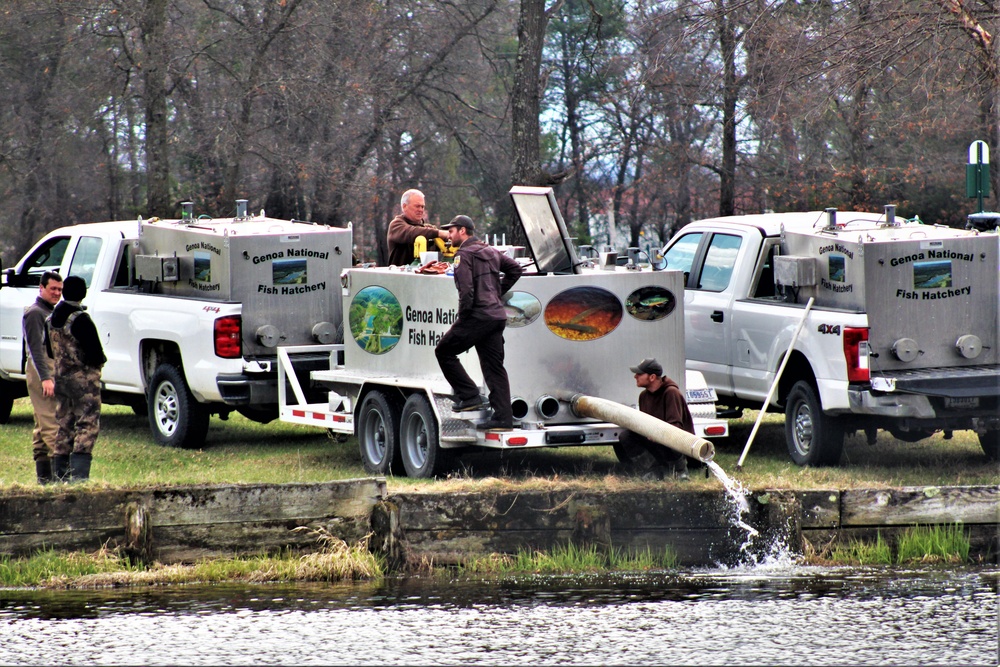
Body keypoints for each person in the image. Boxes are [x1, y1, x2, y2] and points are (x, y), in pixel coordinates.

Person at [435, 215, 522, 431]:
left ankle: (470, 395)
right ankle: (503, 418)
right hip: (496, 317)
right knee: (494, 368)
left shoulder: (463, 255)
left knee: (443, 351)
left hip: (477, 316)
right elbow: (515, 269)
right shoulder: (491, 251)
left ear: (463, 231)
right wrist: (496, 293)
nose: (449, 235)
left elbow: (466, 291)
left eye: (452, 231)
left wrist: (464, 318)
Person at [46, 275, 106, 483]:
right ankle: (79, 478)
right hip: (83, 380)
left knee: (64, 422)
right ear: (82, 293)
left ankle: (60, 475)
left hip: (61, 378)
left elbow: (50, 350)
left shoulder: (52, 318)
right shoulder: (80, 319)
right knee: (87, 422)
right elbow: (96, 354)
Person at [620, 357, 694, 480]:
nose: (635, 377)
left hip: (675, 444)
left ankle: (680, 471)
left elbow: (676, 428)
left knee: (672, 435)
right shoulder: (643, 396)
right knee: (626, 436)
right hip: (655, 441)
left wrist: (657, 434)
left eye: (639, 374)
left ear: (652, 377)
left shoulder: (671, 393)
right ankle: (653, 471)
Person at [22, 271, 63, 484]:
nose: (57, 293)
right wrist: (46, 377)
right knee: (51, 423)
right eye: (52, 289)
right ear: (41, 288)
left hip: (46, 369)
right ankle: (61, 480)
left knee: (40, 427)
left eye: (59, 290)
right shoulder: (36, 313)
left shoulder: (48, 311)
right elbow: (36, 349)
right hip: (41, 371)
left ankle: (44, 481)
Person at [386, 189, 449, 266]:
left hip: (426, 275)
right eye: (417, 206)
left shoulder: (428, 229)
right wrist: (439, 233)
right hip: (401, 276)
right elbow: (411, 233)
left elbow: (448, 242)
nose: (421, 210)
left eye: (422, 207)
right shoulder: (396, 225)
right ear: (404, 206)